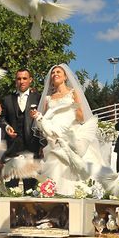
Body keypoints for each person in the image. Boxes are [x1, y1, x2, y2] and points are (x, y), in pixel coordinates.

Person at [29, 64, 109, 196]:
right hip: (55, 138)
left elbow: (81, 117)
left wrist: (72, 108)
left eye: (58, 72)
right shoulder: (48, 99)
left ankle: (83, 193)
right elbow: (42, 120)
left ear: (65, 76)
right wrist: (37, 118)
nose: (55, 74)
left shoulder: (73, 93)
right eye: (53, 72)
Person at [2, 68, 42, 191]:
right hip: (13, 147)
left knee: (31, 186)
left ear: (30, 80)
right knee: (11, 187)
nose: (21, 81)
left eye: (24, 78)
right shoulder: (7, 99)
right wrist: (7, 127)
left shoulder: (38, 98)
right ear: (15, 81)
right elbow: (2, 119)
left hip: (32, 146)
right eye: (19, 78)